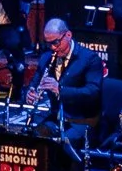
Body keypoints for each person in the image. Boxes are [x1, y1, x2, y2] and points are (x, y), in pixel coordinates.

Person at [29, 17, 105, 146]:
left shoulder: (90, 59)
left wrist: (60, 90)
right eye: (49, 43)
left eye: (56, 42)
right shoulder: (46, 58)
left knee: (63, 145)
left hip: (82, 120)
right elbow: (34, 83)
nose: (53, 47)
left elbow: (92, 92)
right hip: (56, 118)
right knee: (35, 141)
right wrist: (30, 92)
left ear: (68, 35)